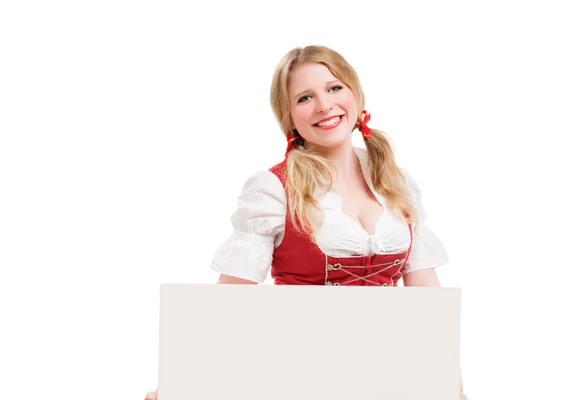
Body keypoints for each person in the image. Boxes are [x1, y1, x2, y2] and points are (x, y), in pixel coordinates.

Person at [144, 45, 467, 399]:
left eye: (333, 88)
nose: (324, 105)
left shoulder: (395, 181)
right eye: (304, 98)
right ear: (289, 117)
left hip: (392, 376)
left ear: (355, 94)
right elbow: (231, 299)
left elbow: (426, 300)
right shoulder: (274, 189)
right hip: (303, 376)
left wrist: (454, 390)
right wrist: (175, 381)